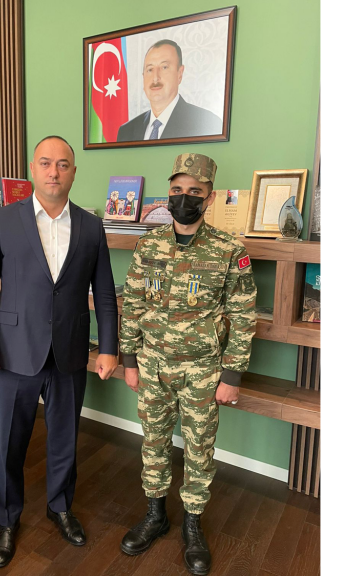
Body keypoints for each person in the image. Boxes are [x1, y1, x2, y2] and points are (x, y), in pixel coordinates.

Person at [0, 135, 120, 569]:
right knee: (9, 445)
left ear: (74, 172)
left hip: (70, 352)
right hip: (13, 353)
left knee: (65, 440)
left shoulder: (91, 226)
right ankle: (7, 519)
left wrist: (109, 348)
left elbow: (104, 294)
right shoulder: (3, 220)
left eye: (63, 164)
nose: (55, 172)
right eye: (46, 163)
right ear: (33, 169)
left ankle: (60, 507)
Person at [116, 153, 256, 575]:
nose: (184, 198)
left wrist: (231, 375)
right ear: (169, 193)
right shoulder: (149, 245)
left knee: (198, 449)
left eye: (195, 191)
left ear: (209, 198)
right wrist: (129, 359)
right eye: (177, 190)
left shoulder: (229, 250)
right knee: (153, 442)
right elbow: (132, 303)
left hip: (203, 371)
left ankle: (193, 525)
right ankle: (155, 515)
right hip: (153, 366)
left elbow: (244, 315)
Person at [116, 40, 223, 142]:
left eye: (164, 67)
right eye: (150, 69)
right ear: (143, 77)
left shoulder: (206, 124)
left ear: (180, 74)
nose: (155, 78)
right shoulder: (126, 131)